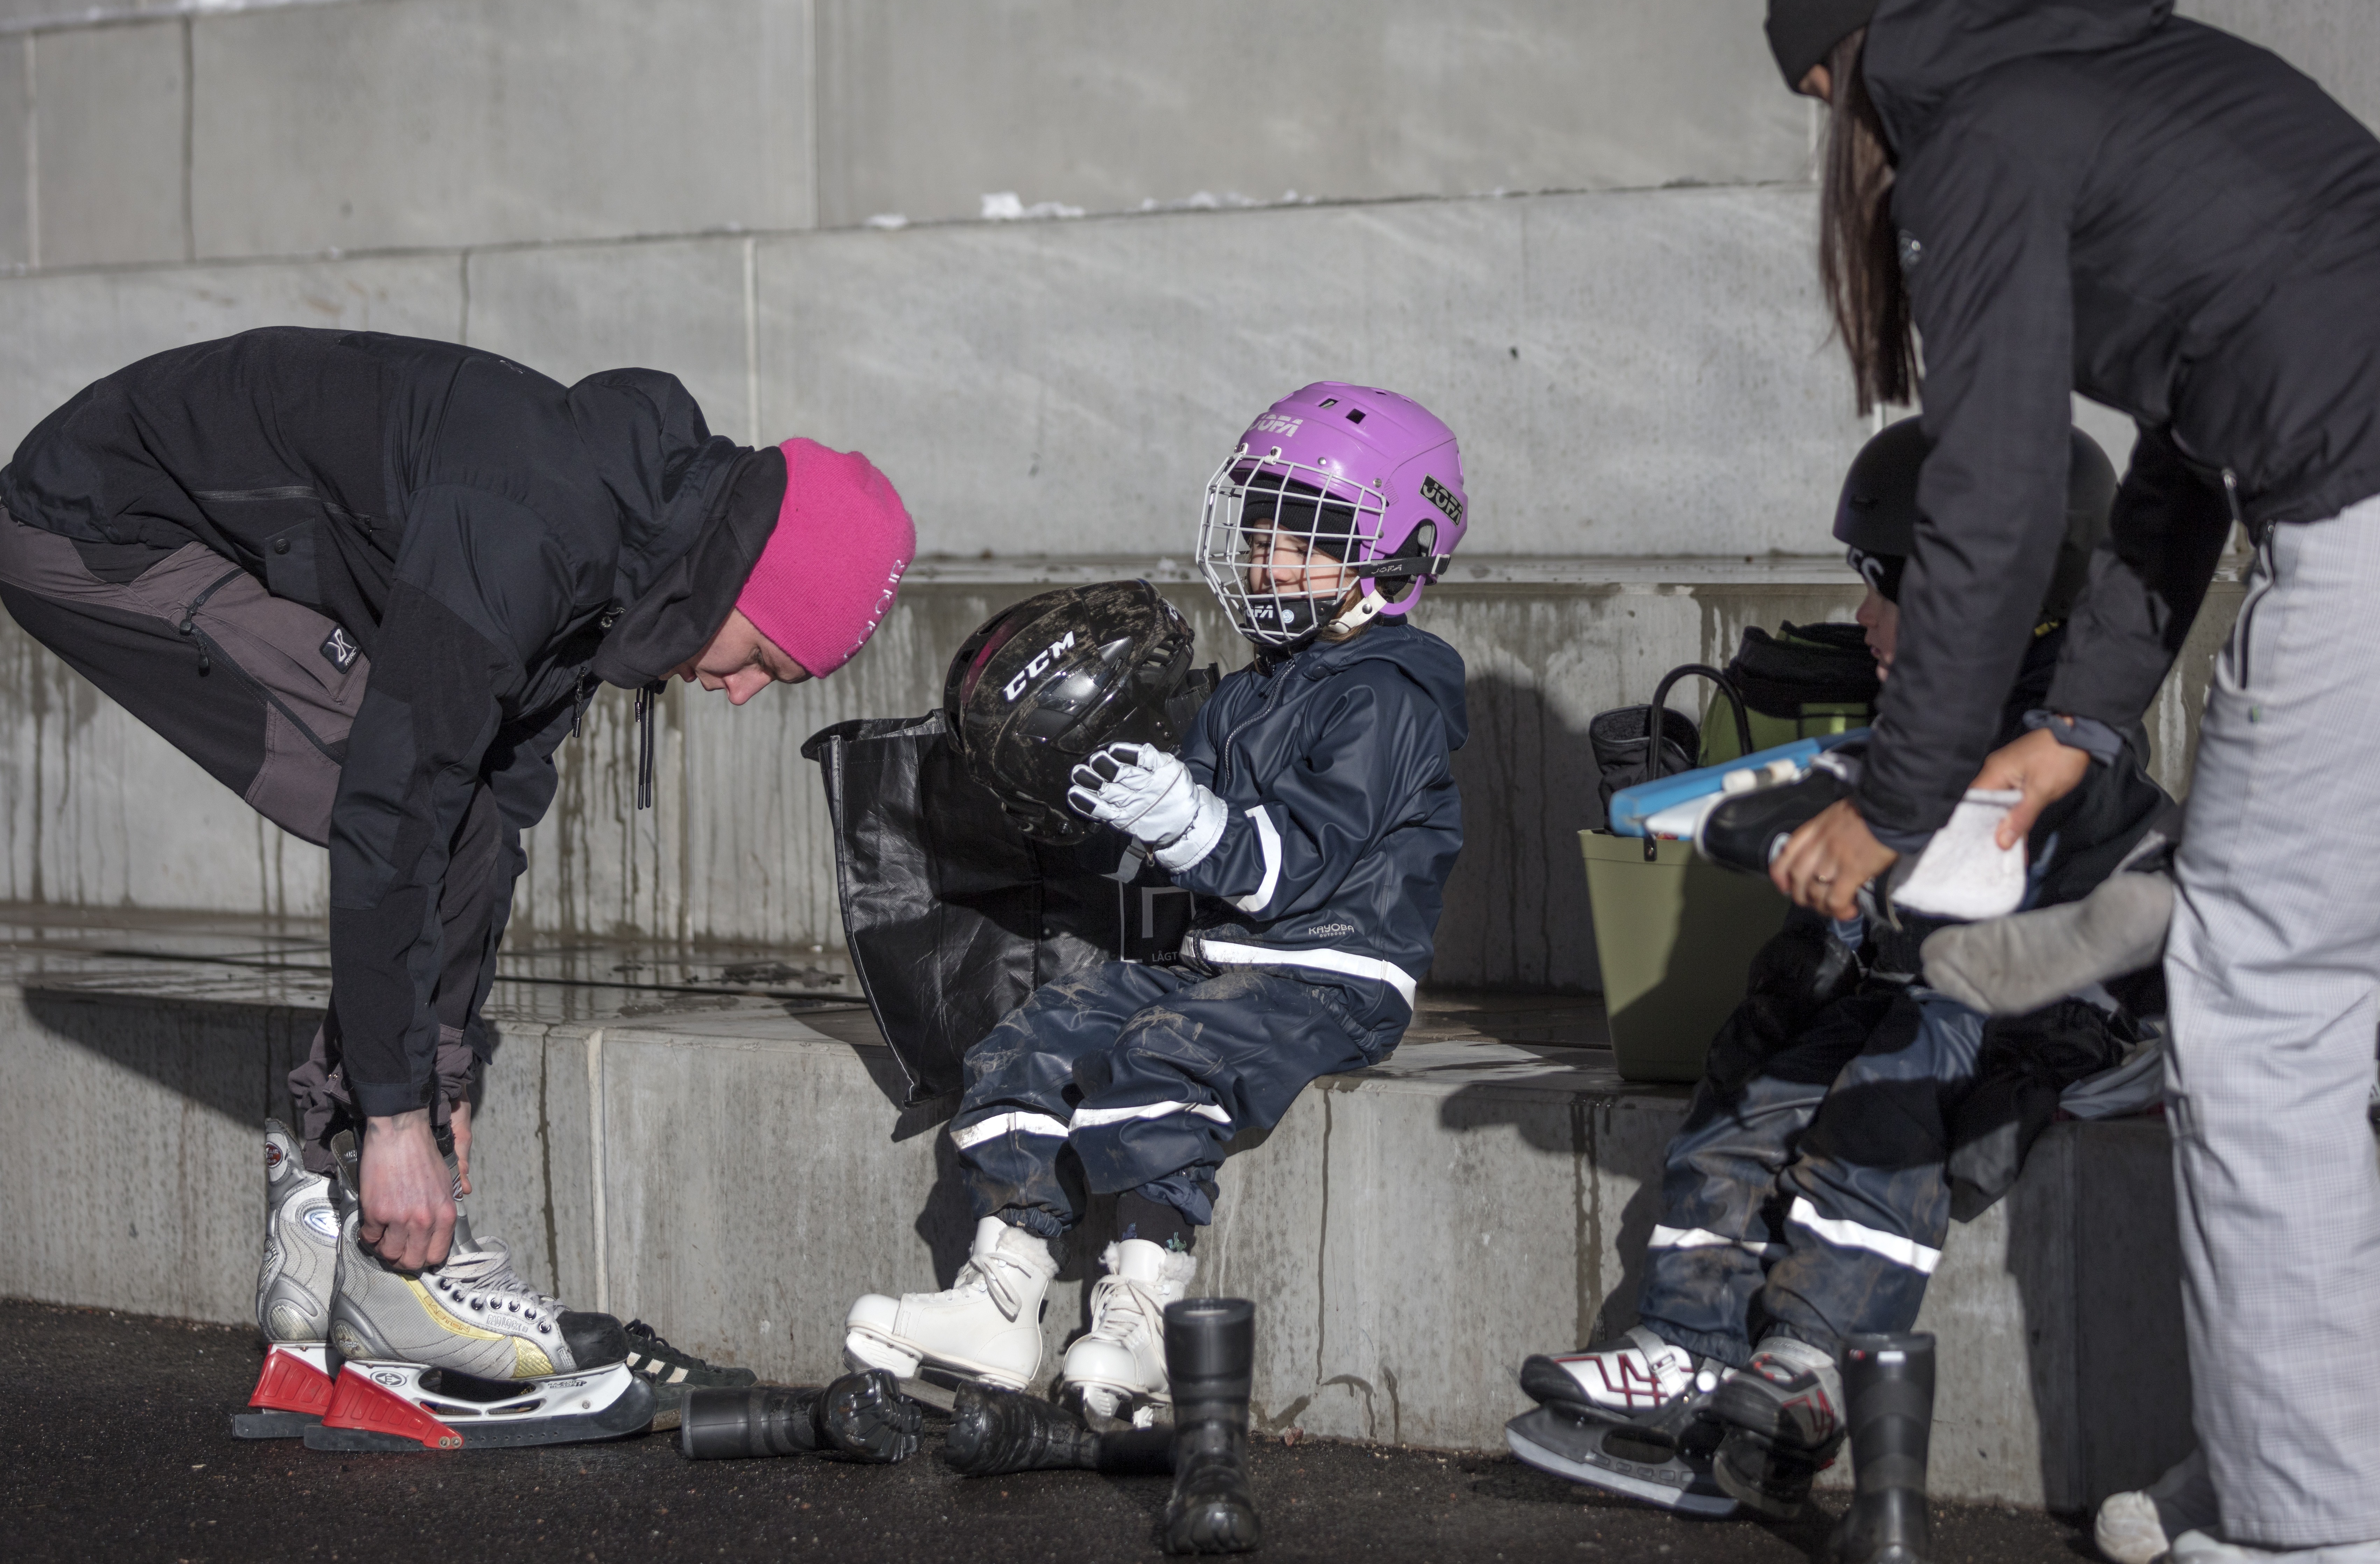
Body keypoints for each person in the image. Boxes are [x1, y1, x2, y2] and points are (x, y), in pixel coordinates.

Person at [1756, 0, 2380, 1558]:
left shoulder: (1978, 136)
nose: (1837, 133)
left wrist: (1893, 805)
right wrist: (2075, 729)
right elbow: (2186, 454)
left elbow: (1992, 499)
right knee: (2270, 939)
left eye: (1822, 95)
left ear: (1851, 53)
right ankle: (2289, 1447)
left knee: (2263, 1013)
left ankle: (2324, 1520)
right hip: (2361, 477)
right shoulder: (2127, 76)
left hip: (2377, 504)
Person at [1, 327, 916, 1422]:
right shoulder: (530, 530)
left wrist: (442, 1068)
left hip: (211, 519)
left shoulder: (622, 553)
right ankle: (389, 1263)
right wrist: (400, 1120)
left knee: (453, 799)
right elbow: (393, 814)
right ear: (738, 582)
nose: (742, 691)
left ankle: (328, 1238)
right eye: (764, 659)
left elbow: (499, 806)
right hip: (97, 523)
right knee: (381, 775)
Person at [1506, 417, 2164, 1517]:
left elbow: (1987, 868)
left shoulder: (2076, 736)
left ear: (1989, 598)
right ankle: (1686, 1344)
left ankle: (1811, 1360)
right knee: (1758, 1066)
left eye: (1884, 587)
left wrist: (1853, 834)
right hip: (1922, 986)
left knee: (1891, 1086)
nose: (1862, 618)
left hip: (2048, 1004)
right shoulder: (1921, 707)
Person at [843, 381, 1468, 1427]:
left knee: (1167, 1054)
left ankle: (1142, 1310)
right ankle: (1003, 1291)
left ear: (1397, 555)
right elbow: (1190, 851)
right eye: (1259, 535)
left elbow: (1288, 872)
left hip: (1330, 972)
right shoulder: (1253, 687)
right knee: (1031, 1038)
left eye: (1302, 542)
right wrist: (1101, 791)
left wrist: (1183, 816)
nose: (1267, 563)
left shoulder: (1391, 693)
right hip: (1216, 959)